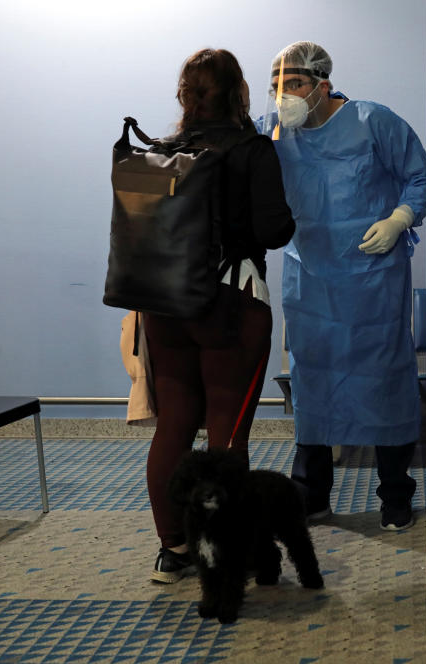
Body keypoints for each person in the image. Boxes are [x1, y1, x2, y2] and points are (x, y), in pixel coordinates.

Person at [256, 41, 426, 531]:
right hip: (310, 278)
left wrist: (400, 217)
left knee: (385, 381)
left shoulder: (373, 121)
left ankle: (396, 494)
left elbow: (423, 175)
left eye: (294, 84)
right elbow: (226, 146)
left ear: (323, 85)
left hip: (371, 278)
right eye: (276, 87)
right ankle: (311, 495)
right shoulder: (273, 133)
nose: (283, 95)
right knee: (313, 381)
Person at [144, 48, 296, 583]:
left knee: (174, 427)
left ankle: (174, 549)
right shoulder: (253, 149)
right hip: (232, 303)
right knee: (227, 433)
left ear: (186, 95)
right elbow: (275, 229)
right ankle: (224, 552)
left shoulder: (160, 150)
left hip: (163, 306)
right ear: (239, 93)